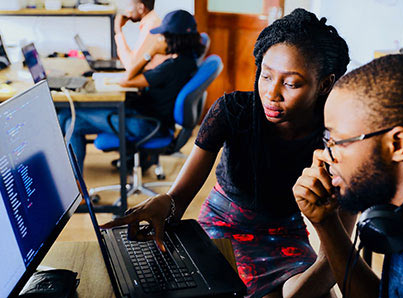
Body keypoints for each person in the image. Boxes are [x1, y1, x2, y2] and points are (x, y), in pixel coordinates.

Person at [102, 8, 352, 298]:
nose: (272, 93)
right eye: (266, 76)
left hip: (286, 236)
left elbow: (336, 256)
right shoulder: (233, 112)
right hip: (222, 227)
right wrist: (164, 204)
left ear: (324, 84)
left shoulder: (338, 142)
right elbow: (178, 201)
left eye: (290, 83)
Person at [293, 54, 403, 298]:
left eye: (337, 141)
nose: (325, 155)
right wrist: (326, 223)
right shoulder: (401, 217)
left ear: (397, 144)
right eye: (326, 140)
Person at [60, 10, 205, 173]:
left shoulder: (172, 67)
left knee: (68, 116)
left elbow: (126, 79)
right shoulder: (187, 61)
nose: (159, 39)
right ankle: (76, 183)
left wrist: (150, 53)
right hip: (151, 119)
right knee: (70, 122)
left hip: (145, 124)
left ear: (173, 39)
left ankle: (70, 181)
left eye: (162, 36)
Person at [114, 0, 168, 72]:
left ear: (140, 8)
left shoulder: (151, 26)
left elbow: (131, 66)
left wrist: (118, 31)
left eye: (129, 6)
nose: (126, 11)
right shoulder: (153, 21)